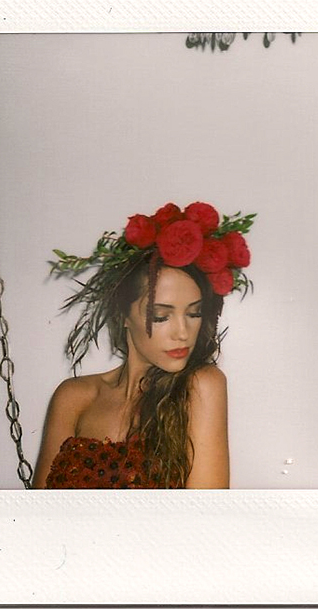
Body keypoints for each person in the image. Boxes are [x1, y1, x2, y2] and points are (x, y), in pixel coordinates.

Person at [32, 201, 254, 489]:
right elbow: (36, 514)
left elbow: (204, 519)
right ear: (123, 315)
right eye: (161, 316)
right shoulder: (73, 397)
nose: (182, 333)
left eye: (194, 313)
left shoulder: (202, 385)